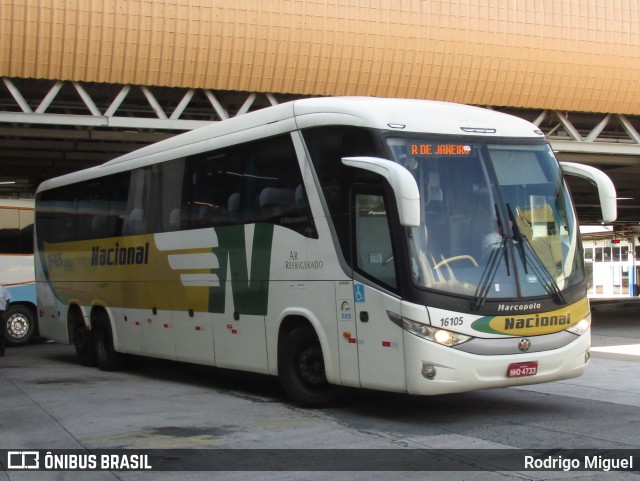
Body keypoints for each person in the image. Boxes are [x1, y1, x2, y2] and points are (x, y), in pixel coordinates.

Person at [0, 284, 11, 357]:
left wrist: (6, 312)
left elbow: (8, 301)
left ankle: (1, 352)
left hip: (1, 313)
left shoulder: (3, 289)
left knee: (0, 333)